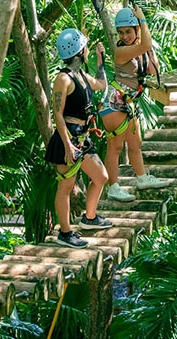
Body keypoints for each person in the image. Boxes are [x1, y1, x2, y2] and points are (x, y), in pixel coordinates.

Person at [45, 28, 113, 248]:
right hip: (69, 140)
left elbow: (102, 85)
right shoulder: (63, 79)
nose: (87, 51)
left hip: (82, 138)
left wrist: (101, 61)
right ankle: (65, 233)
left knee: (101, 176)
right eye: (85, 48)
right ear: (79, 51)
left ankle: (90, 218)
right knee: (66, 187)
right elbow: (57, 114)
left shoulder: (82, 76)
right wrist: (67, 145)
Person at [100, 7, 167, 203]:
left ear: (136, 31)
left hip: (128, 104)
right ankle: (113, 187)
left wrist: (148, 49)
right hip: (115, 102)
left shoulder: (140, 50)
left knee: (135, 145)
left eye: (128, 31)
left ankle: (142, 178)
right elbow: (146, 43)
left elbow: (155, 71)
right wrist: (142, 20)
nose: (124, 36)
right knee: (115, 147)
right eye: (121, 32)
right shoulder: (121, 51)